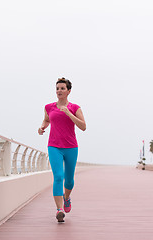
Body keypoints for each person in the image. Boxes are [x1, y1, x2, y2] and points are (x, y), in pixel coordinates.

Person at [38, 77, 86, 223]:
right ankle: (59, 210)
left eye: (62, 88)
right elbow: (47, 120)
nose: (59, 91)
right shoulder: (49, 107)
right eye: (57, 88)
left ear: (68, 91)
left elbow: (83, 127)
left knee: (69, 180)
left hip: (71, 147)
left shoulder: (75, 108)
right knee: (58, 176)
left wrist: (68, 113)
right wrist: (42, 128)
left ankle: (66, 198)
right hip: (54, 146)